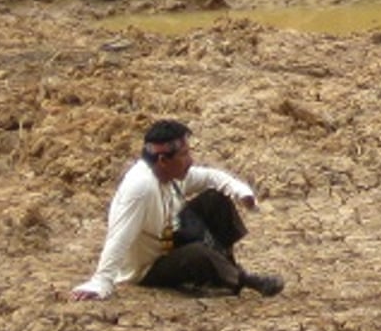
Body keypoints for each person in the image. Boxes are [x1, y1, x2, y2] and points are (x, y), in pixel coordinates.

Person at [71, 120, 283, 301]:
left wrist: (242, 193)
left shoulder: (170, 175)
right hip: (148, 267)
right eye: (184, 155)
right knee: (198, 253)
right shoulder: (140, 188)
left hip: (169, 239)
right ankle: (244, 280)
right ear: (163, 160)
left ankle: (225, 273)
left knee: (215, 200)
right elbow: (119, 237)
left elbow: (211, 177)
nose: (190, 161)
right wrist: (101, 280)